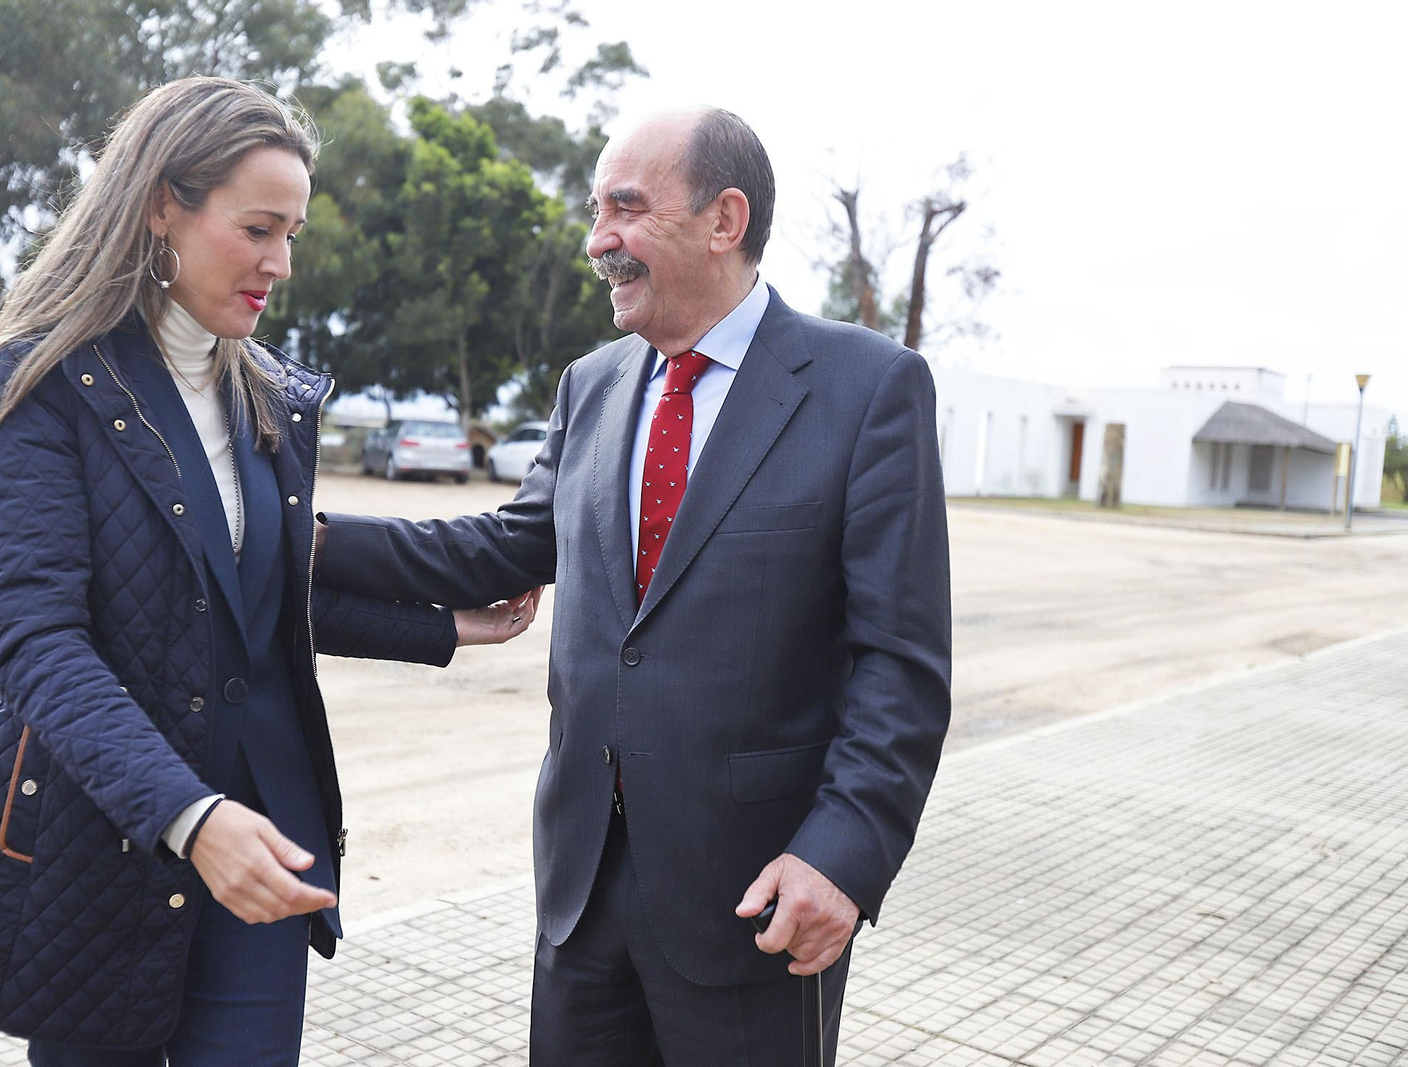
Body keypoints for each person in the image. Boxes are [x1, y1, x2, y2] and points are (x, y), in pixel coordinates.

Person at [0, 76, 539, 1066]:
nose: (280, 262)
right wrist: (190, 817)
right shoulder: (42, 382)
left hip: (269, 831)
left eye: (292, 233)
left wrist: (442, 627)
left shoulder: (273, 394)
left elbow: (245, 597)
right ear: (164, 205)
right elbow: (39, 643)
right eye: (258, 228)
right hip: (107, 837)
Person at [312, 106, 952, 1064]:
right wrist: (304, 540)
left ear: (722, 220)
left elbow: (900, 665)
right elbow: (499, 549)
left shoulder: (867, 389)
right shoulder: (594, 384)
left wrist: (843, 856)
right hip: (582, 894)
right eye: (595, 210)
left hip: (757, 900)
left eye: (624, 209)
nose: (595, 240)